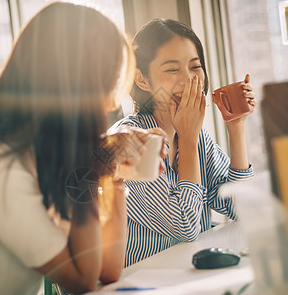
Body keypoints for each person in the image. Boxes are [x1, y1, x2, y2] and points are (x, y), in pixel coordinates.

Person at [0, 2, 160, 294]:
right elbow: (83, 280)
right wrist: (89, 166)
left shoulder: (45, 159)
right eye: (106, 86)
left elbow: (108, 269)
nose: (111, 104)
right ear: (74, 89)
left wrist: (113, 174)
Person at [109, 18, 255, 266]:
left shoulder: (195, 138)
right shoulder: (128, 141)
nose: (189, 80)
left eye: (195, 67)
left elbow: (246, 209)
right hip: (138, 282)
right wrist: (188, 138)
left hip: (183, 273)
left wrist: (236, 127)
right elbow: (184, 225)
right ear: (142, 80)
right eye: (172, 69)